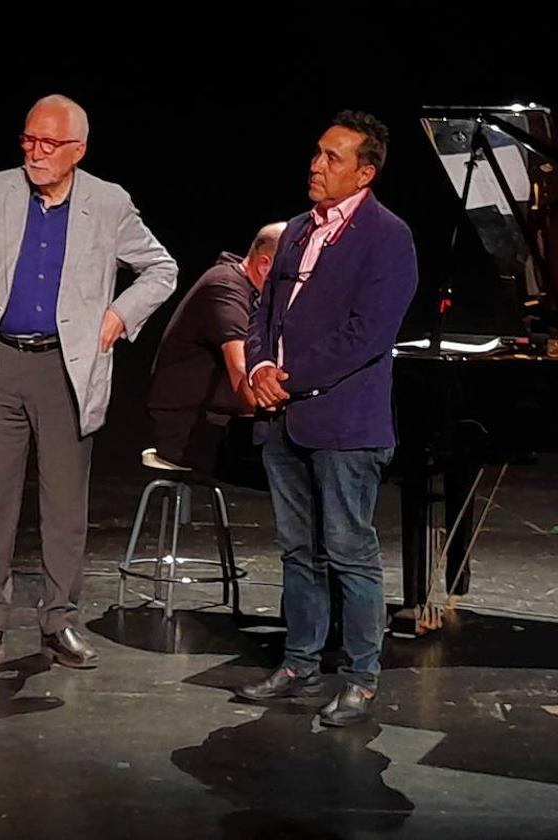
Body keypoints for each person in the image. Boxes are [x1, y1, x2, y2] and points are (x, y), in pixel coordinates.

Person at [0, 94, 178, 669]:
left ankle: (59, 620)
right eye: (28, 141)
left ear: (77, 151)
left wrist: (118, 317)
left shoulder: (108, 203)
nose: (35, 153)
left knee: (64, 506)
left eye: (48, 144)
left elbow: (161, 268)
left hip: (66, 370)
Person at [238, 111, 418, 726]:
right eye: (317, 153)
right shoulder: (292, 230)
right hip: (283, 420)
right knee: (298, 550)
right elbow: (263, 312)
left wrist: (288, 379)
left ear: (365, 173)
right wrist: (258, 369)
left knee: (349, 551)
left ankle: (362, 678)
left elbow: (368, 333)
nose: (316, 166)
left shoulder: (388, 237)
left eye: (332, 158)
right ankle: (299, 660)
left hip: (343, 423)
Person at [146, 222, 286, 476]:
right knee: (303, 464)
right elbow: (242, 372)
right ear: (265, 265)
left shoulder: (254, 293)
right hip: (189, 433)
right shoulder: (226, 289)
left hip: (218, 425)